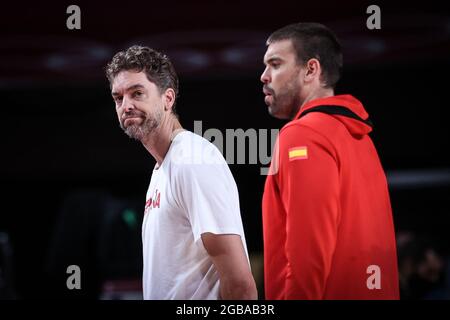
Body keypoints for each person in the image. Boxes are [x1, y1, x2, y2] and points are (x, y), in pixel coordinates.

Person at [105, 45, 257, 300]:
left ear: (168, 99)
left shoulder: (193, 160)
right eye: (118, 98)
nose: (126, 105)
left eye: (137, 93)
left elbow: (241, 284)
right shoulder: (163, 166)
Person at [260, 22, 399, 299]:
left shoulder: (302, 135)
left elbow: (308, 251)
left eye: (275, 64)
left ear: (311, 69)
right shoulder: (358, 136)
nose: (264, 76)